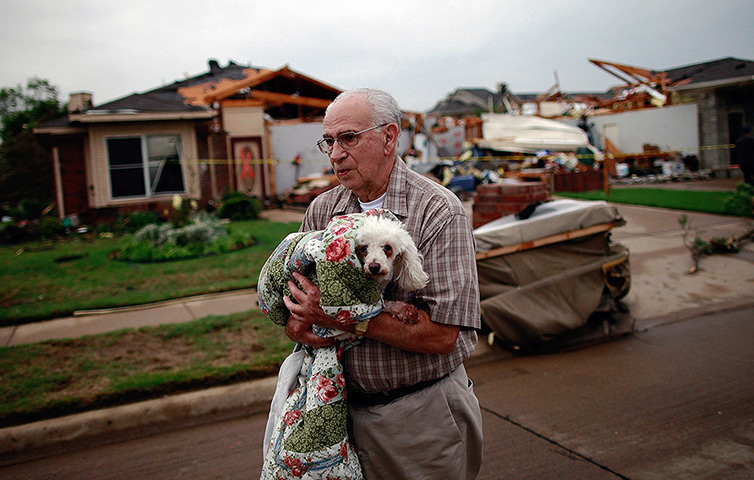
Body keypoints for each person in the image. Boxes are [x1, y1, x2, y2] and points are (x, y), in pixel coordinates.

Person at [282, 88, 483, 479]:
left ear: (390, 137)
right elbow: (294, 310)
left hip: (418, 419)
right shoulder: (322, 210)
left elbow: (442, 335)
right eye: (328, 141)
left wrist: (344, 317)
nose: (336, 153)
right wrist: (297, 322)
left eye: (348, 138)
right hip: (336, 413)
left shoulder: (439, 211)